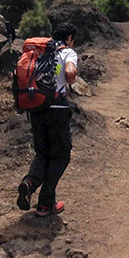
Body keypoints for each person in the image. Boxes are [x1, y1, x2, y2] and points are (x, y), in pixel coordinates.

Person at [17, 21, 79, 216]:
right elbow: (69, 73)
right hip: (57, 110)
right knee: (61, 155)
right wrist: (72, 79)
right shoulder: (67, 52)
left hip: (36, 109)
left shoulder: (40, 52)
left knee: (43, 153)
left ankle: (30, 182)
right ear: (69, 38)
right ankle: (45, 204)